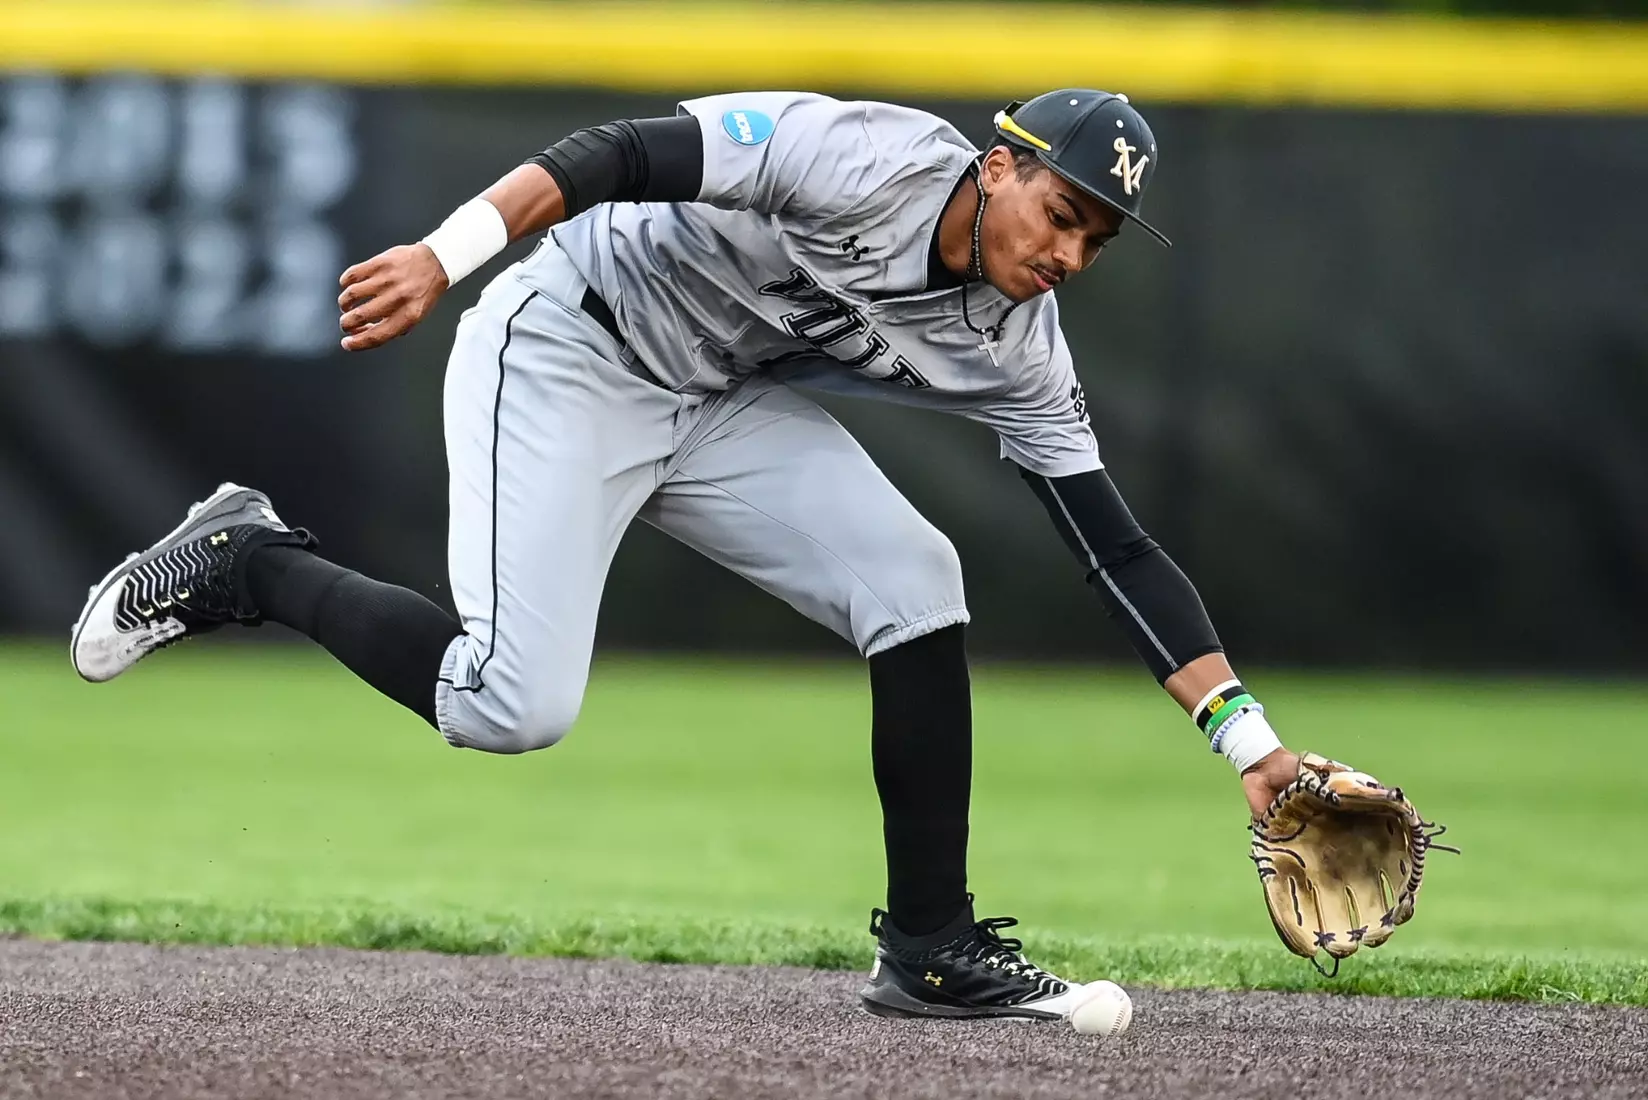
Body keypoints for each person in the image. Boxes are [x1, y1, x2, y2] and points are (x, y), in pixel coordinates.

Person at [72, 88, 1302, 1021]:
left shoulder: (1021, 344)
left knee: (916, 583)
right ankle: (248, 561)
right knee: (509, 704)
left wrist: (1249, 743)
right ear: (999, 166)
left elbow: (1116, 546)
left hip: (713, 399)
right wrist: (447, 257)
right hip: (572, 343)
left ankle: (929, 942)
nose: (1068, 257)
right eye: (1061, 214)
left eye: (1096, 241)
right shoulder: (856, 157)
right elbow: (618, 154)